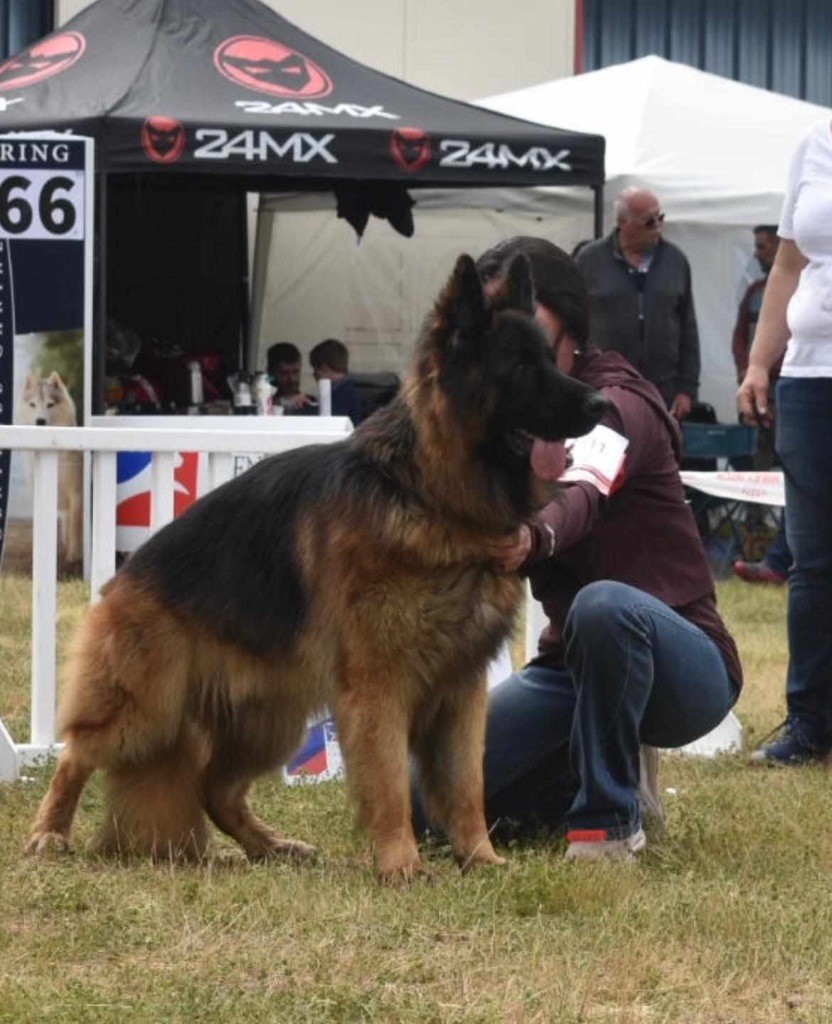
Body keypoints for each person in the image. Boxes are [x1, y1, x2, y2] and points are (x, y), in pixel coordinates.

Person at [413, 236, 742, 861]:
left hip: (683, 661)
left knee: (602, 608)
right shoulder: (499, 418)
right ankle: (587, 768)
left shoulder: (618, 401)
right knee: (424, 803)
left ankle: (608, 825)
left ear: (570, 327)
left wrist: (533, 536)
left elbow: (584, 489)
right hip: (571, 670)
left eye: (530, 325)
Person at [738, 120, 832, 766]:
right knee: (813, 565)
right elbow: (790, 266)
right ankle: (809, 724)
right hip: (807, 377)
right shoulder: (815, 144)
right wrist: (757, 365)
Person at [576, 187, 700, 419]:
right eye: (649, 221)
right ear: (623, 222)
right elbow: (572, 322)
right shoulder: (589, 260)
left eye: (660, 217)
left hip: (662, 390)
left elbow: (688, 327)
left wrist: (687, 388)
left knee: (658, 453)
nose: (657, 226)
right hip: (604, 387)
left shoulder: (675, 260)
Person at [731, 226, 791, 586]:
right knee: (762, 467)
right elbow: (740, 337)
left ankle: (780, 556)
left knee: (795, 473)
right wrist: (750, 371)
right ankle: (759, 541)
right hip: (766, 389)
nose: (757, 254)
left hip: (791, 386)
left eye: (763, 246)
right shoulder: (755, 293)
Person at [309, 338, 366, 426]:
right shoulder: (351, 390)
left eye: (315, 370)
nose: (314, 375)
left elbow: (325, 423)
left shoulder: (344, 395)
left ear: (324, 369)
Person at [266, 341, 315, 413]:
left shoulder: (310, 403)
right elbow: (266, 380)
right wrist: (282, 402)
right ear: (271, 372)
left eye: (295, 372)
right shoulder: (261, 401)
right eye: (284, 373)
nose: (291, 378)